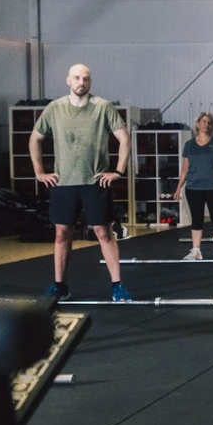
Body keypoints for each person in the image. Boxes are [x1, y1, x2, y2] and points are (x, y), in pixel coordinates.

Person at [31, 62, 132, 303]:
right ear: (68, 81)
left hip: (95, 181)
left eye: (85, 78)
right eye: (76, 78)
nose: (81, 82)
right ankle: (59, 286)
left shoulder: (103, 107)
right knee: (61, 234)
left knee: (103, 232)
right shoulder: (55, 108)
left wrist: (118, 171)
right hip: (64, 182)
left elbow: (125, 139)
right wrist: (39, 172)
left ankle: (117, 286)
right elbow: (34, 139)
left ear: (90, 82)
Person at [176, 111, 213, 261]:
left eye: (209, 122)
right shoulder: (189, 145)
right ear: (198, 124)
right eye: (204, 121)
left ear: (212, 126)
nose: (206, 124)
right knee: (196, 219)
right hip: (193, 187)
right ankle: (196, 251)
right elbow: (185, 168)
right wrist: (179, 186)